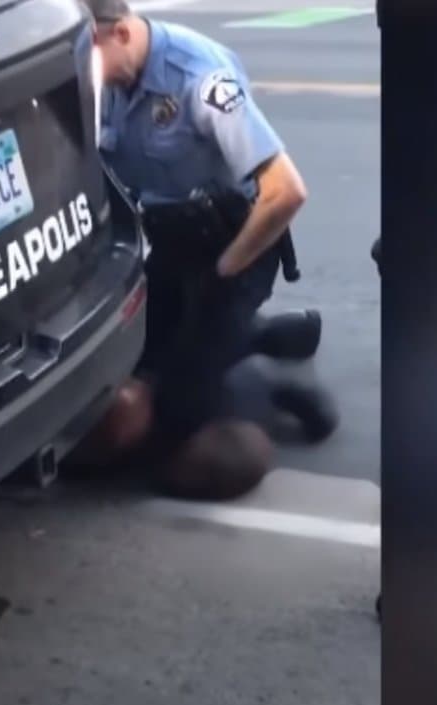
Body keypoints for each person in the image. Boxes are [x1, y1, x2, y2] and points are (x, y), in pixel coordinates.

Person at [68, 0, 330, 499]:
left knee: (181, 405)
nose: (81, 70)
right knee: (139, 360)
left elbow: (286, 192)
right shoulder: (108, 80)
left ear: (119, 33)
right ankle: (258, 334)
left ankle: (272, 382)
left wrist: (226, 273)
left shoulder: (197, 77)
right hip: (165, 244)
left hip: (233, 243)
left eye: (87, 54)